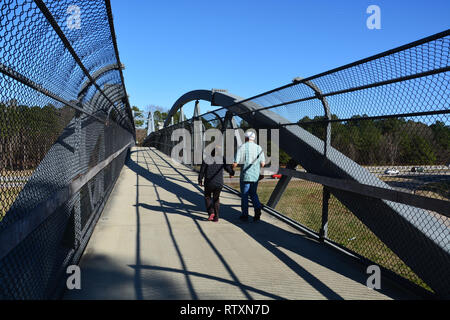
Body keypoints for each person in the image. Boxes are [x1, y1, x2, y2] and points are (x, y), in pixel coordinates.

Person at [233, 131, 265, 222]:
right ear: (253, 138)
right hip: (255, 176)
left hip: (245, 176)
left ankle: (245, 215)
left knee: (245, 195)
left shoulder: (242, 147)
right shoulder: (259, 148)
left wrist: (230, 169)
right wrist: (261, 173)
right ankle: (257, 209)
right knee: (253, 193)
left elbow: (235, 163)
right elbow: (262, 163)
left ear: (246, 138)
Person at [198, 147, 235, 222]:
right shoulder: (222, 159)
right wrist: (232, 173)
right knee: (216, 199)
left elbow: (202, 170)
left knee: (207, 197)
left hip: (209, 182)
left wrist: (200, 179)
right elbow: (228, 168)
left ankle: (211, 212)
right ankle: (216, 217)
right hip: (219, 183)